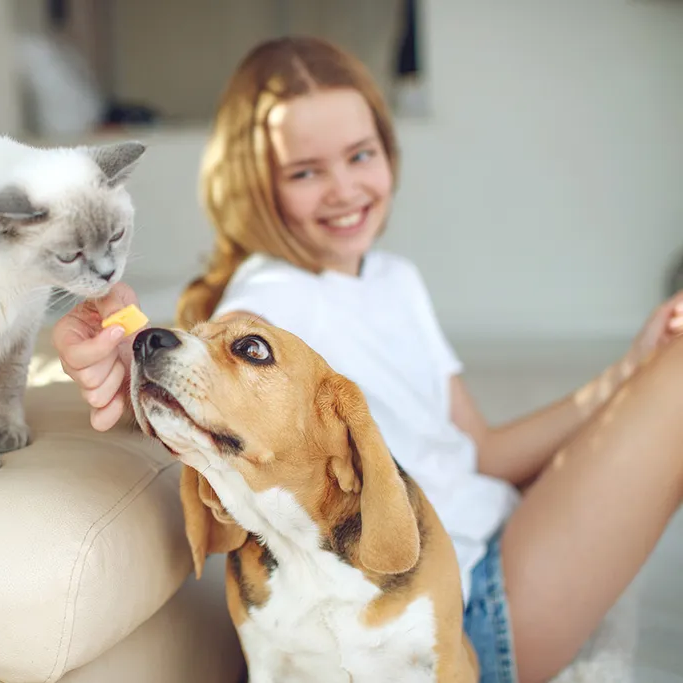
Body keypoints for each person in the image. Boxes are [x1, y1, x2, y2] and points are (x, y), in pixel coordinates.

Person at [52, 36, 683, 683]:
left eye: (361, 155)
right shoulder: (269, 300)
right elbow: (204, 398)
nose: (344, 188)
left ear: (389, 151)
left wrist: (627, 374)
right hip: (462, 603)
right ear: (257, 187)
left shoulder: (394, 278)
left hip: (496, 527)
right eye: (305, 172)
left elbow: (483, 451)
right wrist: (123, 360)